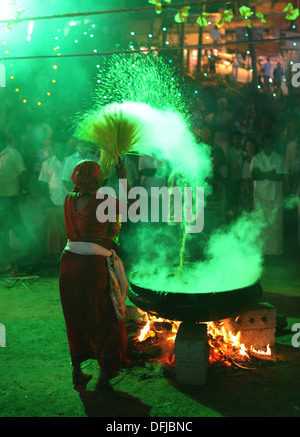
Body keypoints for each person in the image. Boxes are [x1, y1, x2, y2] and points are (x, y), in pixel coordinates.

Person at [59, 159, 130, 393]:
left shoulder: (69, 199)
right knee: (105, 317)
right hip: (93, 267)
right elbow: (133, 209)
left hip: (69, 264)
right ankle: (104, 377)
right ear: (97, 179)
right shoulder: (103, 200)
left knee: (76, 317)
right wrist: (123, 178)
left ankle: (77, 371)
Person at [251, 133, 287, 255]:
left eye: (270, 142)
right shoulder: (256, 158)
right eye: (266, 142)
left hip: (275, 197)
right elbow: (254, 175)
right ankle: (261, 250)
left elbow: (279, 177)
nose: (268, 145)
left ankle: (275, 250)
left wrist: (263, 174)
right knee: (260, 224)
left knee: (274, 226)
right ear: (262, 143)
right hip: (259, 196)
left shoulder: (279, 159)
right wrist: (269, 174)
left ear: (274, 143)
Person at [0, 129, 27, 266]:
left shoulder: (14, 154)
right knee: (2, 225)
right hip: (1, 196)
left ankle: (29, 247)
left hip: (11, 195)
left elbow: (22, 174)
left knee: (15, 223)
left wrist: (23, 191)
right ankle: (5, 252)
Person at [38, 139, 68, 256]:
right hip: (54, 202)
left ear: (65, 148)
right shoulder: (47, 163)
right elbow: (43, 184)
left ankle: (68, 255)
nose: (59, 150)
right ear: (54, 149)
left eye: (61, 148)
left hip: (69, 203)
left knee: (68, 232)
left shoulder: (71, 162)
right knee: (55, 233)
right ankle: (56, 256)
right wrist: (47, 200)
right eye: (57, 148)